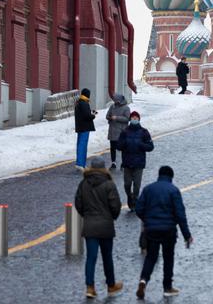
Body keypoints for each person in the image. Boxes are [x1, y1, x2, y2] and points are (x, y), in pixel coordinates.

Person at [135, 166, 192, 299]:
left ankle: (143, 280)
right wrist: (187, 235)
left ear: (159, 175)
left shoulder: (148, 189)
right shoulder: (174, 190)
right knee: (168, 258)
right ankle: (167, 287)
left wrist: (147, 220)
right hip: (168, 230)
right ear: (171, 177)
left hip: (151, 230)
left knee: (151, 257)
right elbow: (180, 215)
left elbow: (139, 208)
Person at [74, 158, 123, 299]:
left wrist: (86, 215)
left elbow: (78, 203)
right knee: (107, 257)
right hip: (106, 226)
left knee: (91, 257)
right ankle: (111, 284)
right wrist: (112, 217)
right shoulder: (109, 184)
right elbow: (115, 205)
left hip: (90, 225)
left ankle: (90, 287)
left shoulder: (83, 184)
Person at [117, 111, 154, 211]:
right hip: (127, 163)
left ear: (139, 119)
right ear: (130, 119)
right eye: (132, 118)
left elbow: (151, 146)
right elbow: (118, 146)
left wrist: (141, 145)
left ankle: (135, 200)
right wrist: (124, 143)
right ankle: (129, 196)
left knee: (137, 185)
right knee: (127, 184)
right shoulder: (125, 132)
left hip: (139, 163)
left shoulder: (144, 132)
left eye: (136, 118)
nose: (134, 119)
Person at [105, 94, 130, 170]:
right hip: (112, 130)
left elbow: (127, 119)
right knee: (112, 148)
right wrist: (110, 118)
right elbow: (107, 115)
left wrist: (116, 118)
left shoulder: (126, 108)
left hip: (121, 131)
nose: (115, 102)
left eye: (116, 100)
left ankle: (123, 163)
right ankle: (113, 163)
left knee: (123, 149)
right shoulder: (112, 106)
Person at [74, 88, 96, 171]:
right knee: (83, 146)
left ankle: (81, 164)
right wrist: (93, 115)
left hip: (80, 127)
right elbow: (87, 116)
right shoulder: (84, 103)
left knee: (80, 144)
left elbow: (83, 114)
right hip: (85, 127)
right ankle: (80, 164)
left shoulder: (79, 102)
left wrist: (90, 113)